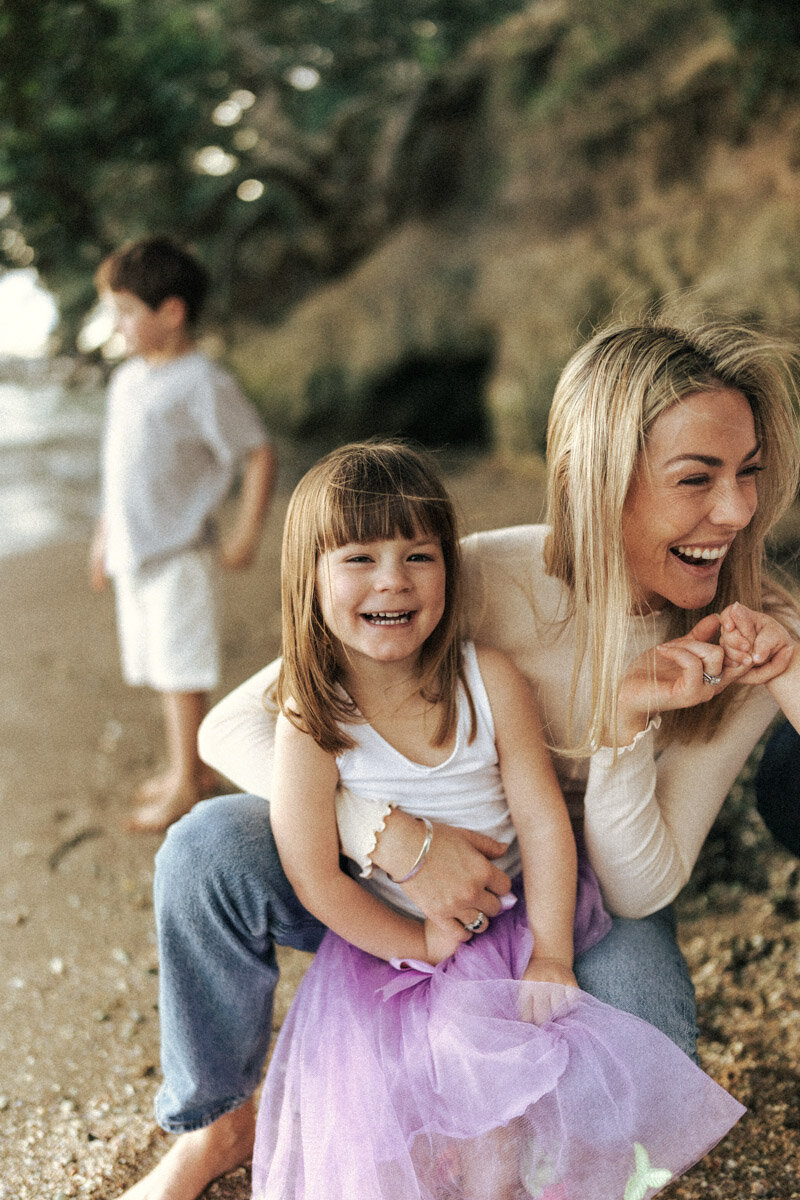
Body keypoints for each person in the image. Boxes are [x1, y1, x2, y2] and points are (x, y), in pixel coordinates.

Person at [116, 317, 800, 1200]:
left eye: (748, 473)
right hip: (397, 876)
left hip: (578, 895)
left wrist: (631, 728)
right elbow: (232, 728)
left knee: (649, 1040)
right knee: (208, 851)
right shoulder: (466, 575)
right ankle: (216, 1124)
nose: (739, 509)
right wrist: (392, 839)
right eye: (697, 479)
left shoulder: (748, 632)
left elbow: (636, 889)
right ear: (598, 482)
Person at [251, 439, 744, 1198]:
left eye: (419, 555)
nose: (394, 579)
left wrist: (550, 953)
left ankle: (504, 1186)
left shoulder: (488, 679)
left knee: (507, 1072)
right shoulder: (311, 717)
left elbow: (546, 824)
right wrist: (417, 942)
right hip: (394, 944)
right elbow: (314, 876)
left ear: (450, 568)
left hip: (517, 917)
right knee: (393, 1095)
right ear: (307, 579)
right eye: (358, 558)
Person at [89, 236, 276, 833]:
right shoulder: (127, 382)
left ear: (170, 312)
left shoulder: (203, 383)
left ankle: (184, 785)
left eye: (126, 313)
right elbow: (118, 473)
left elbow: (257, 451)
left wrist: (245, 534)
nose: (116, 326)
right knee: (153, 661)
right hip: (135, 551)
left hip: (179, 553)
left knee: (180, 673)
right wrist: (103, 539)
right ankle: (191, 770)